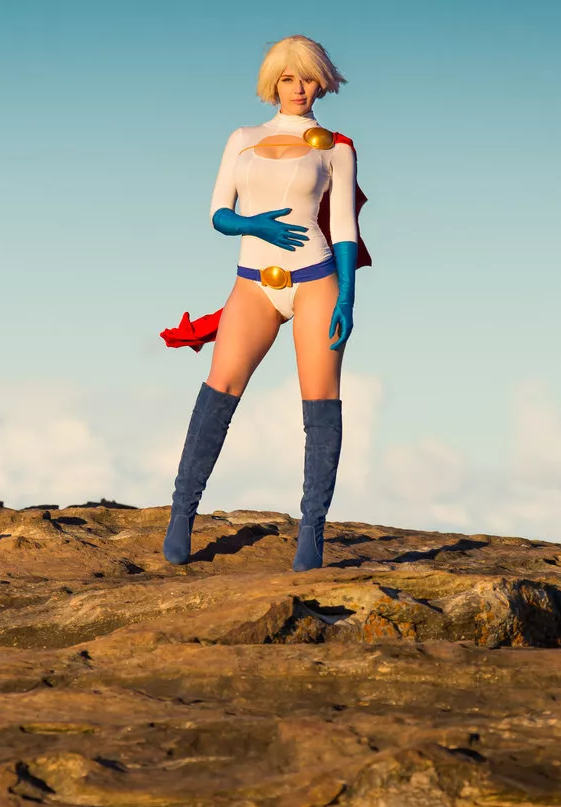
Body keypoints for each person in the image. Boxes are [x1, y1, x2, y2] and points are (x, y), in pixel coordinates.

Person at [161, 34, 370, 571]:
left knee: (320, 401)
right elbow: (217, 213)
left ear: (322, 82)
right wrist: (251, 225)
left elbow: (343, 227)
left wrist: (347, 296)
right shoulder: (244, 138)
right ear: (273, 82)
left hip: (316, 279)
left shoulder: (336, 147)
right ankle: (181, 515)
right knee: (219, 390)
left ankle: (312, 533)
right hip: (252, 283)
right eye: (288, 78)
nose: (298, 88)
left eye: (308, 78)